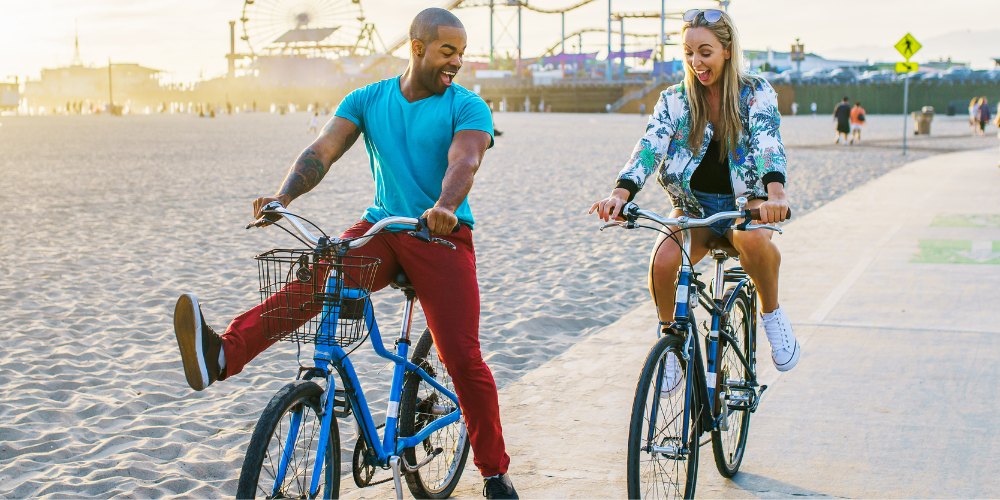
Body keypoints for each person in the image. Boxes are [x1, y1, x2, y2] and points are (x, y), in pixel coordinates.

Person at [171, 8, 518, 499]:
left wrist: (445, 206)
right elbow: (322, 151)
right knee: (315, 279)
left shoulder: (467, 105)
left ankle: (494, 474)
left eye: (461, 52)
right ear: (417, 47)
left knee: (462, 358)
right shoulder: (368, 99)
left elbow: (466, 158)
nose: (457, 61)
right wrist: (282, 198)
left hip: (441, 234)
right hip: (384, 227)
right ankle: (223, 354)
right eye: (448, 51)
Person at [589, 8, 800, 381]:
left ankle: (772, 315)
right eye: (688, 52)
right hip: (692, 207)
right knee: (663, 260)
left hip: (745, 204)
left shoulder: (755, 93)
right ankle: (671, 341)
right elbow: (650, 146)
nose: (696, 62)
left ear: (727, 50)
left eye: (705, 52)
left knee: (751, 242)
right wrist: (621, 193)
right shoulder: (675, 99)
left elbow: (769, 141)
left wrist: (775, 195)